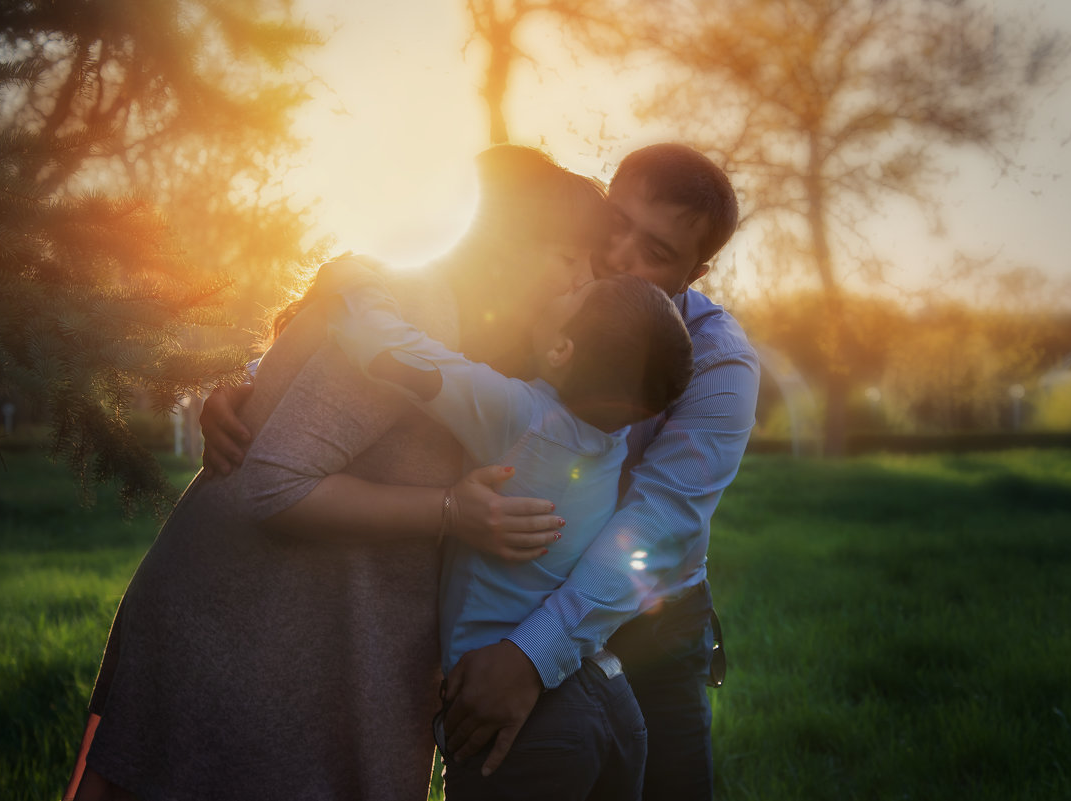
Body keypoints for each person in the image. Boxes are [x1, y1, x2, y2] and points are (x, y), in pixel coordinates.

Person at [202, 143, 760, 801]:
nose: (615, 256)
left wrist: (530, 655)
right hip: (509, 598)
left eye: (656, 252)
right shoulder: (558, 291)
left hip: (644, 622)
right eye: (615, 225)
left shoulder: (717, 363)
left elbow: (656, 525)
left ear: (696, 272)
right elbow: (428, 299)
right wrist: (263, 384)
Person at [66, 145, 609, 801]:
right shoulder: (418, 307)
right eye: (567, 256)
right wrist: (449, 510)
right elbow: (278, 483)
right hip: (247, 624)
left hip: (318, 625)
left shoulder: (479, 333)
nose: (583, 278)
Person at [313, 262, 694, 798]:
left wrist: (356, 275)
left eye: (581, 291)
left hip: (522, 718)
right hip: (609, 696)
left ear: (562, 351)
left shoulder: (518, 416)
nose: (567, 282)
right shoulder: (613, 438)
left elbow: (386, 349)